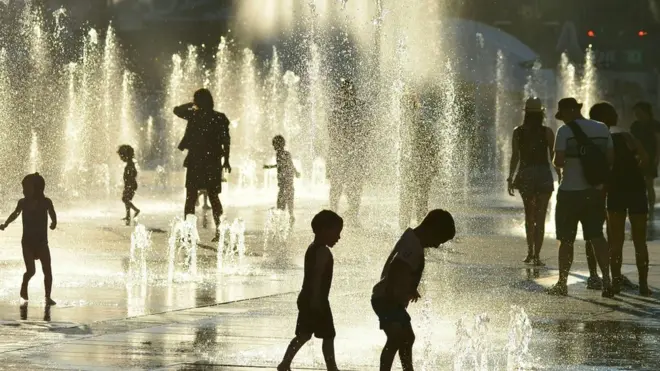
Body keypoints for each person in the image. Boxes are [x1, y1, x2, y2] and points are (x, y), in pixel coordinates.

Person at [372, 209, 456, 371]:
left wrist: (410, 288)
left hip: (389, 298)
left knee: (406, 338)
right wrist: (394, 293)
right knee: (396, 338)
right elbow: (397, 266)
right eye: (439, 239)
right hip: (387, 298)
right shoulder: (413, 245)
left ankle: (408, 369)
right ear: (430, 229)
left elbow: (403, 267)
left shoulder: (412, 239)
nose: (437, 245)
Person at [549, 98, 614, 297]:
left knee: (566, 239)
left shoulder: (565, 131)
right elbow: (610, 159)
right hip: (594, 192)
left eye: (562, 115)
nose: (562, 120)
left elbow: (558, 161)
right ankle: (607, 281)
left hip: (569, 192)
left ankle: (562, 283)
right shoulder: (601, 128)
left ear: (569, 111)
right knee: (597, 236)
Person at [590, 102, 652, 296]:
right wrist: (634, 171)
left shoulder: (597, 142)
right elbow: (645, 159)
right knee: (640, 241)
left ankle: (615, 283)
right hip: (636, 190)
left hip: (615, 192)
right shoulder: (626, 137)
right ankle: (643, 285)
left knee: (614, 242)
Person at [278, 210, 343, 371]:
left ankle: (285, 363)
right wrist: (316, 302)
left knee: (304, 335)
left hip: (308, 298)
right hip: (317, 300)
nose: (338, 237)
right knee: (328, 335)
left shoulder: (313, 248)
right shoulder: (323, 252)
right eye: (336, 233)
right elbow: (317, 278)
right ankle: (332, 367)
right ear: (324, 231)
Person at [174, 88, 231, 241]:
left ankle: (188, 233)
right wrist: (226, 160)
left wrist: (193, 104)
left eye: (195, 99)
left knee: (191, 197)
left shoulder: (194, 114)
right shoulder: (219, 117)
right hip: (213, 161)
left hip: (196, 160)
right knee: (214, 196)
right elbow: (226, 141)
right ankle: (219, 231)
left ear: (198, 101)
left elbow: (177, 110)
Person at [507, 97, 557, 266]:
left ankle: (529, 253)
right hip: (543, 174)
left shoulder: (518, 132)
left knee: (529, 216)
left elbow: (515, 157)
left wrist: (510, 177)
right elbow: (554, 157)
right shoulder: (547, 132)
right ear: (541, 113)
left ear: (526, 113)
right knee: (541, 217)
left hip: (526, 174)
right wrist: (561, 176)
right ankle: (537, 255)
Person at [0, 173, 57, 306]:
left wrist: (54, 221)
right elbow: (15, 214)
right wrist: (6, 224)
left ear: (37, 188)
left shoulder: (46, 202)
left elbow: (52, 212)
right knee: (31, 270)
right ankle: (24, 285)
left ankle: (48, 297)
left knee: (47, 271)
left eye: (26, 188)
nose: (23, 190)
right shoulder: (23, 202)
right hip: (27, 243)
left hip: (42, 243)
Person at [327, 79, 369, 226]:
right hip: (343, 156)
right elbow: (332, 135)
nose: (348, 95)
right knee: (340, 187)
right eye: (346, 92)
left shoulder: (353, 112)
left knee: (352, 187)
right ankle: (336, 215)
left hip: (350, 156)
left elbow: (365, 132)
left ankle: (351, 215)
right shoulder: (338, 113)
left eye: (350, 92)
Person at [399, 89, 439, 230]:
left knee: (418, 200)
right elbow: (433, 144)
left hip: (420, 167)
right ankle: (406, 228)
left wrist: (433, 165)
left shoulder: (420, 123)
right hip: (413, 168)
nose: (404, 109)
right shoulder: (404, 125)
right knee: (410, 199)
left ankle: (418, 229)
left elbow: (431, 144)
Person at [630, 102, 660, 216]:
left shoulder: (654, 124)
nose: (637, 114)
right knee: (637, 183)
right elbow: (631, 141)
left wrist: (657, 157)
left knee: (649, 183)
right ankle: (640, 205)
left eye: (638, 112)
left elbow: (658, 141)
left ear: (645, 111)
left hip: (651, 156)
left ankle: (651, 206)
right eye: (635, 112)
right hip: (637, 156)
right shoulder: (635, 125)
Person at [264, 135, 300, 222]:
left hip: (285, 182)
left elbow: (288, 165)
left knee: (282, 201)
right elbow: (285, 164)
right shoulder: (284, 154)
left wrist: (294, 172)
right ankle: (290, 216)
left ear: (279, 144)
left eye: (274, 145)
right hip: (286, 182)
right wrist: (270, 167)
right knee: (287, 199)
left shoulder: (282, 154)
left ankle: (285, 218)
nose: (273, 147)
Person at [118, 145, 140, 226]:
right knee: (126, 199)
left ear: (125, 155)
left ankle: (136, 210)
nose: (120, 158)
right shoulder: (130, 163)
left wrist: (129, 184)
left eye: (121, 156)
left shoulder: (130, 164)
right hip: (130, 184)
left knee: (125, 199)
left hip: (131, 185)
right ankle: (128, 216)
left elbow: (133, 174)